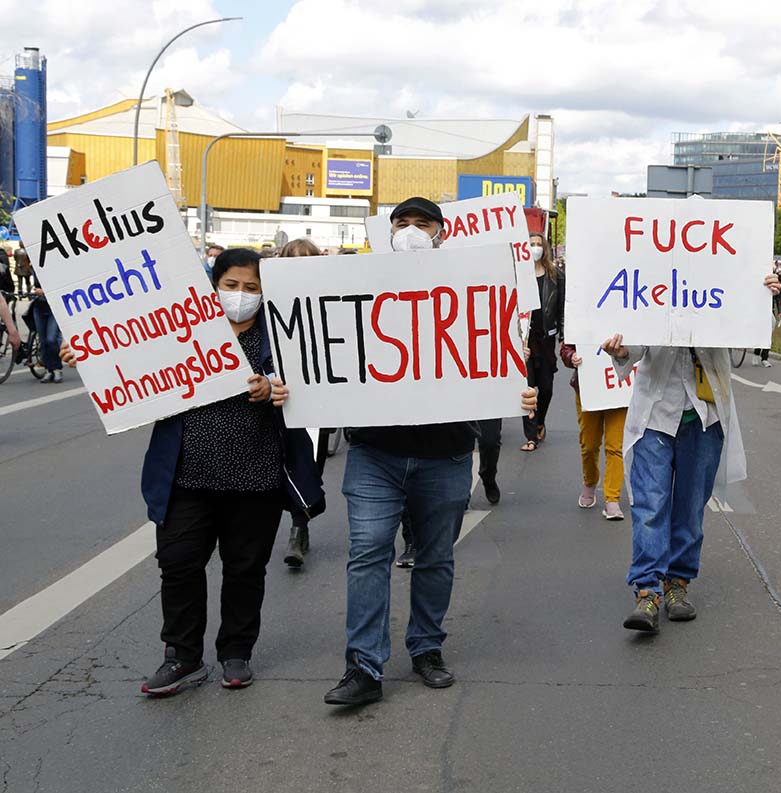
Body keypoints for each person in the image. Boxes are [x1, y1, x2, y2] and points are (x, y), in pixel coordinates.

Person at [62, 247, 325, 695]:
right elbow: (125, 355)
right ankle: (182, 657)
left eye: (251, 288)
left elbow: (311, 384)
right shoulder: (178, 331)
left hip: (255, 477)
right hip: (185, 477)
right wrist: (86, 353)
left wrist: (276, 386)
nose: (240, 295)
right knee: (178, 565)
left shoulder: (281, 336)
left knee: (245, 569)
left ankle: (236, 652)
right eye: (231, 285)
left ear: (265, 293)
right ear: (213, 285)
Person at [324, 197, 538, 707]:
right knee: (368, 554)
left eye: (424, 224)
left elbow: (495, 355)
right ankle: (364, 667)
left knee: (436, 557)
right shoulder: (358, 283)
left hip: (444, 455)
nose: (413, 231)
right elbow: (326, 347)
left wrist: (516, 391)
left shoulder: (472, 291)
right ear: (387, 231)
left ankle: (426, 649)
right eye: (403, 223)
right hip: (376, 452)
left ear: (443, 234)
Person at [603, 273, 781, 633]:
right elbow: (636, 328)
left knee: (690, 504)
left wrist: (760, 295)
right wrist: (622, 350)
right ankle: (647, 590)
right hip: (655, 412)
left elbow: (741, 333)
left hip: (704, 413)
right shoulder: (651, 267)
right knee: (650, 504)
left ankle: (677, 582)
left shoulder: (721, 269)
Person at [275, 238, 335, 568]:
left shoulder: (334, 297)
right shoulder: (267, 300)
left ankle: (299, 526)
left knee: (308, 465)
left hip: (318, 399)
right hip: (277, 399)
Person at [561, 343, 628, 520]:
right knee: (589, 444)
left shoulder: (627, 316)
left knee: (615, 446)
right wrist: (571, 357)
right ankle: (590, 481)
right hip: (588, 389)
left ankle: (612, 499)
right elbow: (566, 346)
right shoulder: (581, 316)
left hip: (618, 389)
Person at [521, 231, 562, 452]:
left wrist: (565, 336)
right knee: (527, 388)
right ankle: (530, 436)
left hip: (546, 340)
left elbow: (561, 308)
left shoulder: (555, 276)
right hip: (525, 341)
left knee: (545, 389)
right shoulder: (519, 274)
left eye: (538, 244)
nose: (535, 247)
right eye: (531, 244)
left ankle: (540, 421)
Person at [28, 271, 64, 383]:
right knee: (43, 341)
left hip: (54, 307)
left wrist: (44, 292)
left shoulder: (54, 267)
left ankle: (57, 369)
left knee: (51, 339)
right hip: (39, 306)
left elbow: (62, 286)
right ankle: (49, 369)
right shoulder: (34, 266)